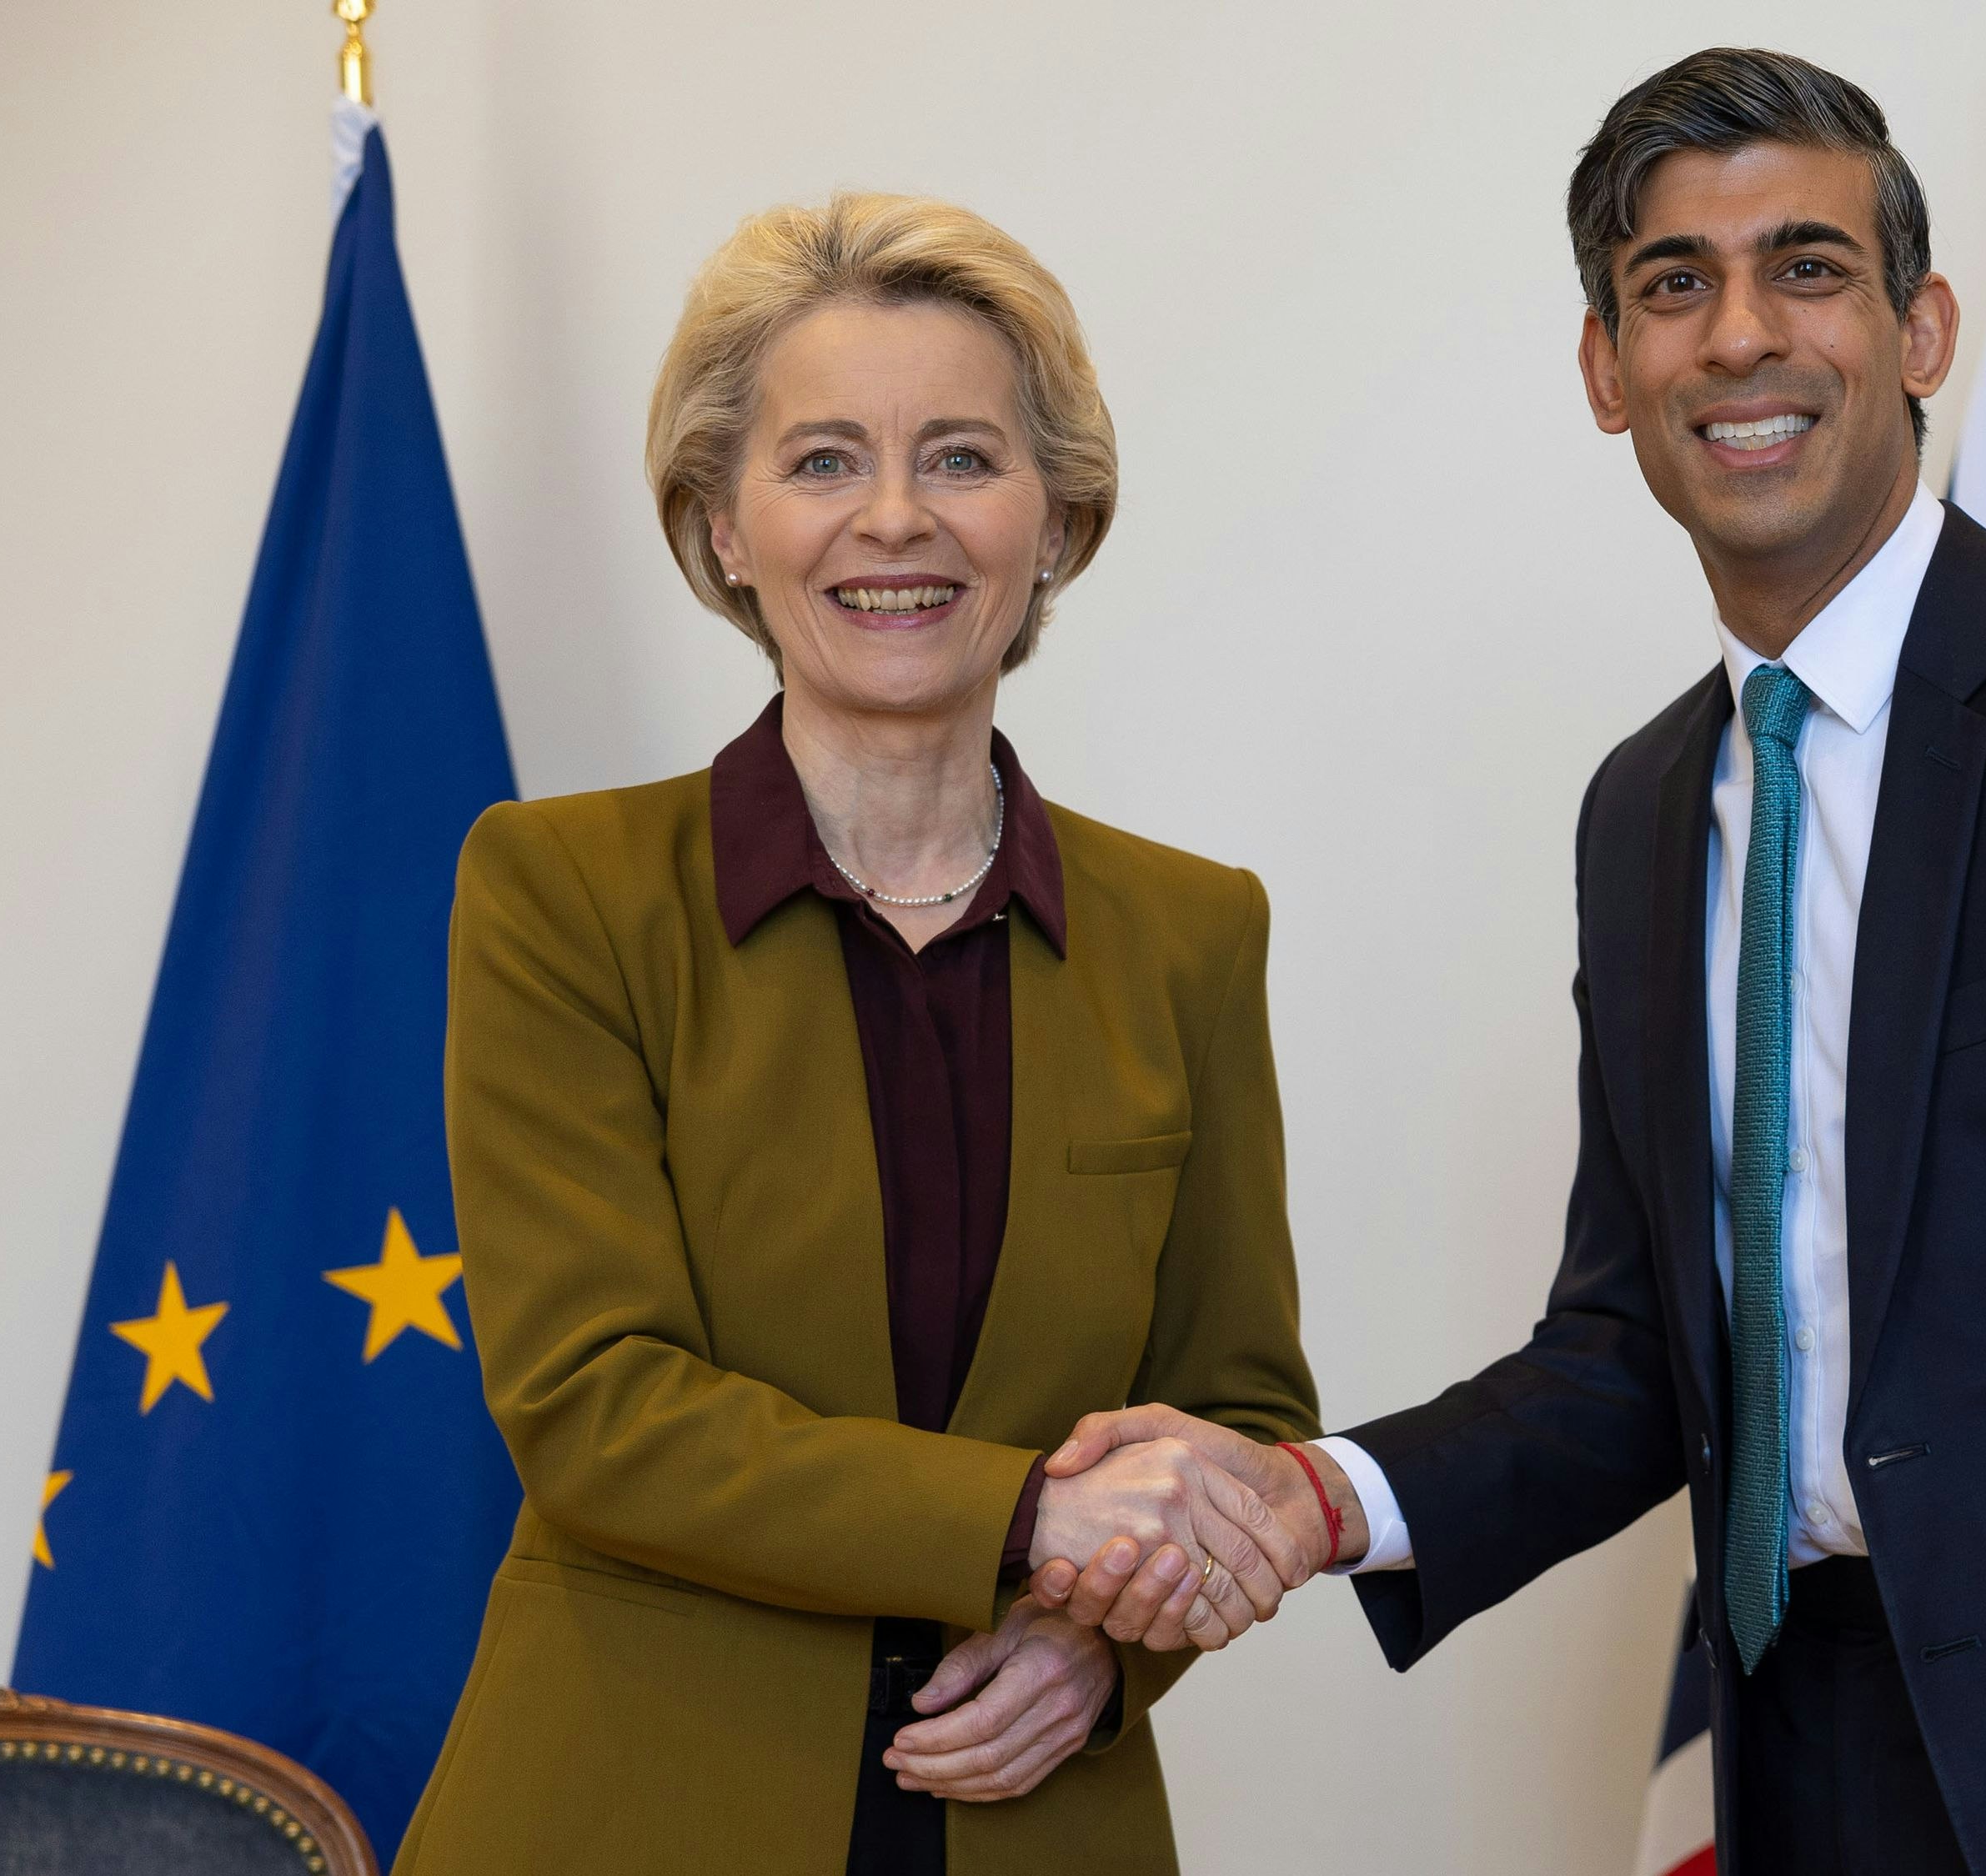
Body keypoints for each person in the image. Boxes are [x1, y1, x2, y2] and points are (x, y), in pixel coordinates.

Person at [1043, 48, 1986, 1875]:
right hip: (1803, 1760)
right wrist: (1317, 1495)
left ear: (1920, 331)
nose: (1739, 335)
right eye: (1674, 285)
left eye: (1806, 268)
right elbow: (1635, 1356)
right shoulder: (1643, 810)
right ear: (1607, 371)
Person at [397, 193, 1323, 1876]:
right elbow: (596, 1405)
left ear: (1055, 521)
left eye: (962, 457)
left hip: (1037, 1817)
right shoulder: (560, 890)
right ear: (724, 527)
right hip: (630, 1808)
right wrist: (1033, 1516)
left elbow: (1236, 1412)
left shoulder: (1193, 932)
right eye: (823, 461)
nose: (895, 518)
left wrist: (1104, 1652)